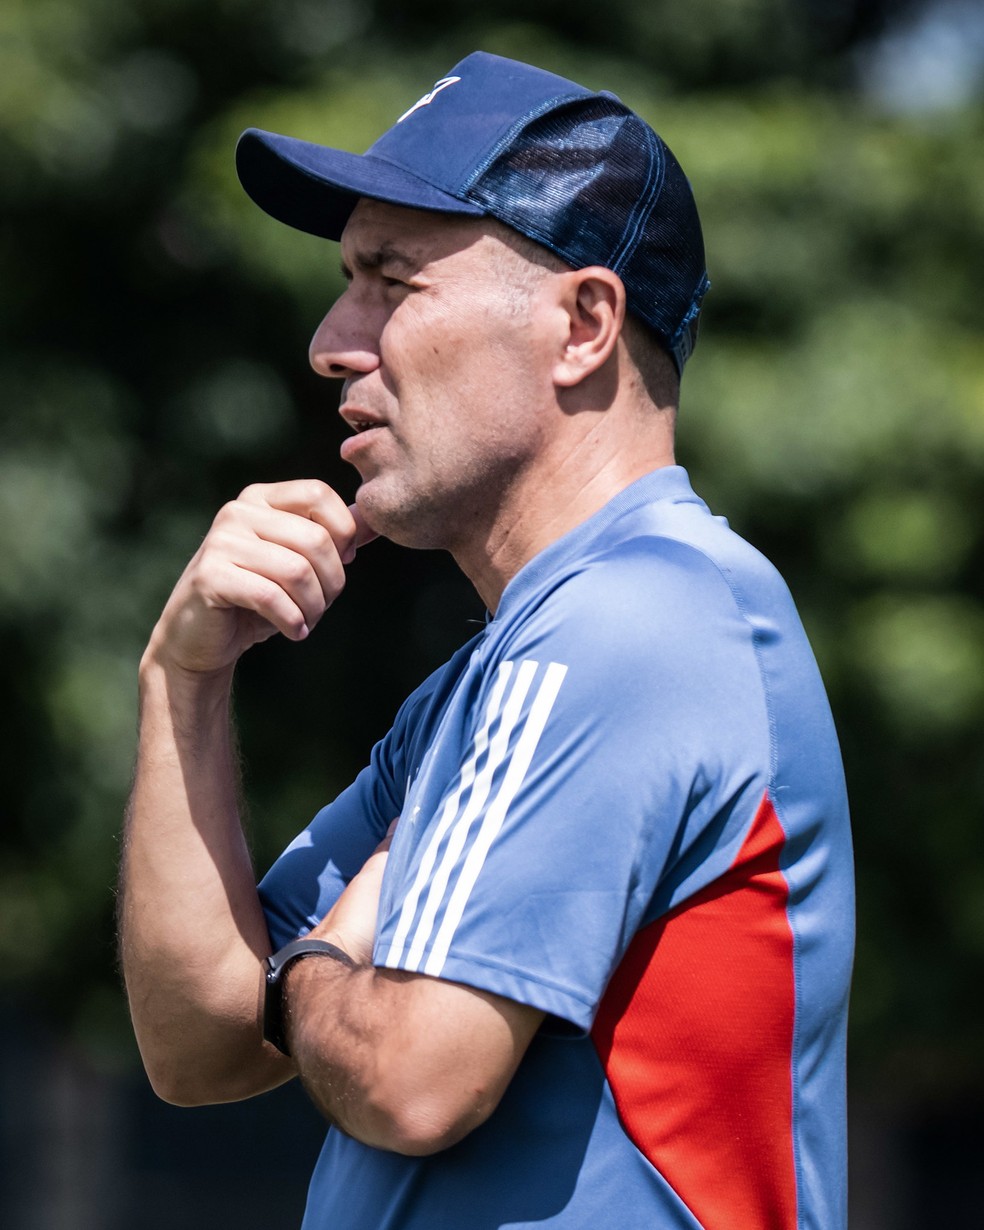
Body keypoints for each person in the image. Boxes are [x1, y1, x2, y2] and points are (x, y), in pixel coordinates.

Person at [118, 51, 854, 1230]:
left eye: (391, 282)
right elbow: (199, 1050)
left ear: (582, 325)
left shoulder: (640, 621)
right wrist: (182, 682)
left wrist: (314, 965)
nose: (329, 341)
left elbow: (412, 1081)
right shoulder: (498, 674)